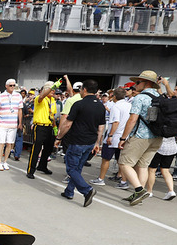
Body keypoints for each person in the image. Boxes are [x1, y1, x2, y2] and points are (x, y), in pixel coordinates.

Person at [117, 70, 170, 206]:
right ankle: (139, 195)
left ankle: (139, 190)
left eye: (138, 82)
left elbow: (133, 119)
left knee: (124, 163)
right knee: (143, 165)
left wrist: (123, 138)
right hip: (157, 136)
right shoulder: (160, 96)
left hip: (141, 135)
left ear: (146, 83)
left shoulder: (140, 98)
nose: (135, 85)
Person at [54, 79, 106, 207]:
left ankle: (87, 190)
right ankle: (69, 191)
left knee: (71, 168)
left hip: (77, 141)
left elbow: (67, 124)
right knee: (77, 168)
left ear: (85, 90)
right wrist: (97, 143)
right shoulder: (100, 106)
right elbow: (101, 127)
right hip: (90, 142)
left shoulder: (79, 104)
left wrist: (59, 137)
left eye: (81, 89)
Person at [91, 86, 129, 186]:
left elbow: (116, 122)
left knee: (105, 159)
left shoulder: (116, 106)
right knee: (121, 160)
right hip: (124, 136)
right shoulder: (129, 105)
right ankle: (123, 181)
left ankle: (101, 179)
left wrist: (110, 135)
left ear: (114, 96)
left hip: (115, 136)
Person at [0, 79, 23, 170]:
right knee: (1, 143)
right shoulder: (0, 96)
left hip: (13, 124)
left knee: (9, 144)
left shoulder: (18, 96)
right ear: (6, 86)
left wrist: (20, 123)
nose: (12, 87)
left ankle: (5, 161)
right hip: (2, 124)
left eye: (14, 85)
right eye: (11, 85)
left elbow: (20, 110)